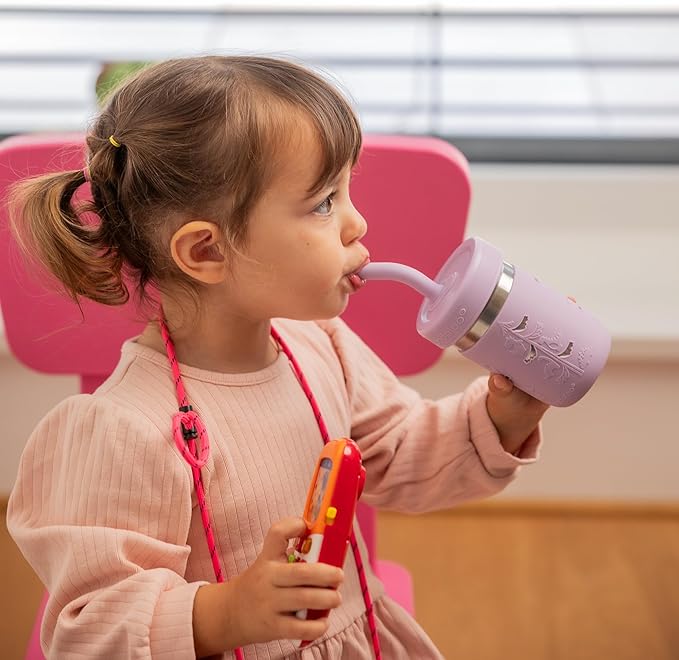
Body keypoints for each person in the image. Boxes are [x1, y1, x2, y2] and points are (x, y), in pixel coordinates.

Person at [6, 56, 546, 659]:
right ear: (207, 251)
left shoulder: (322, 345)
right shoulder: (123, 429)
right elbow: (87, 630)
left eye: (345, 191)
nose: (357, 222)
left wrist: (505, 416)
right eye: (324, 203)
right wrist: (229, 611)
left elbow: (402, 452)